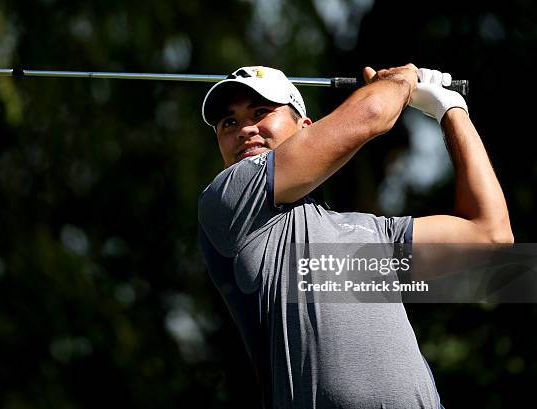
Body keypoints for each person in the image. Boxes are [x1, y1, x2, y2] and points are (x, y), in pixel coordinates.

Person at [197, 64, 513, 409]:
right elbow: (373, 113)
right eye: (229, 123)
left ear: (305, 128)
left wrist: (451, 110)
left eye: (260, 112)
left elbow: (491, 237)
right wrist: (401, 80)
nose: (245, 129)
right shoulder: (229, 202)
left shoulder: (369, 232)